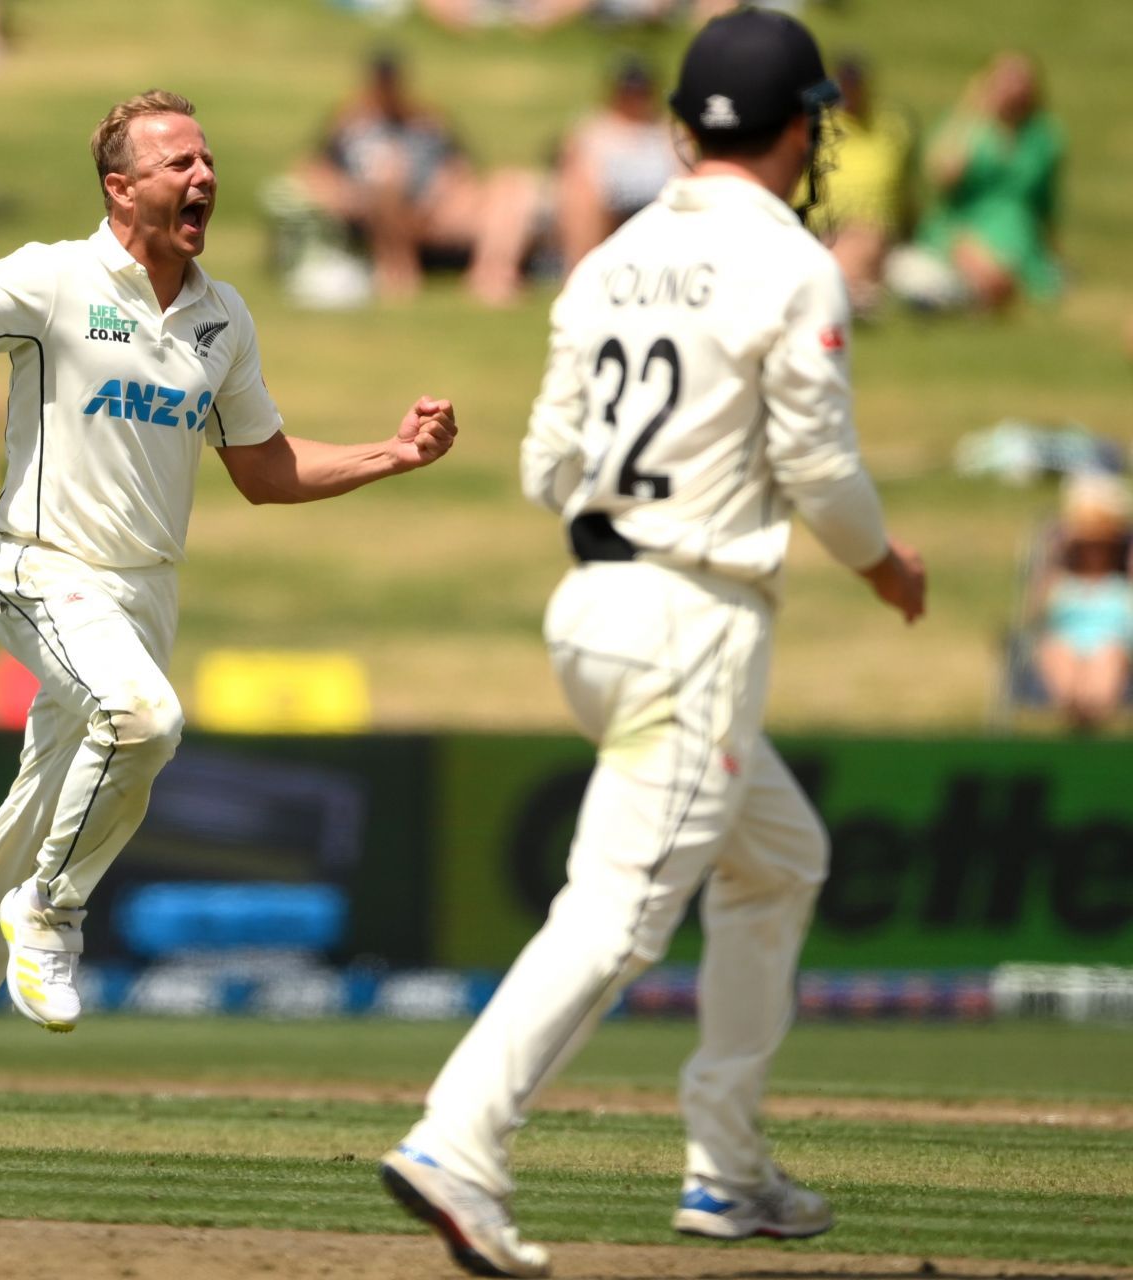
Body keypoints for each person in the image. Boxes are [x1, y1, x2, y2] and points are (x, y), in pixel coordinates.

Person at [379, 12, 926, 1276]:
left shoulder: (612, 258)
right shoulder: (792, 262)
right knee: (620, 912)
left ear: (684, 127)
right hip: (691, 617)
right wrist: (888, 567)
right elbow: (822, 469)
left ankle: (729, 1170)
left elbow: (541, 466)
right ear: (801, 127)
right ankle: (459, 1137)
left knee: (780, 858)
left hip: (593, 607)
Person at [0, 89, 460, 1148]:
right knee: (144, 720)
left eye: (209, 159)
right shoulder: (52, 277)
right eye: (178, 162)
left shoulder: (223, 315)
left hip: (143, 594)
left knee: (36, 811)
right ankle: (52, 914)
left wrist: (392, 453)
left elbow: (264, 471)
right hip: (42, 571)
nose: (203, 177)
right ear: (120, 186)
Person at [471, 56, 681, 305]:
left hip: (642, 205)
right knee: (510, 185)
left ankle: (580, 278)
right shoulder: (591, 128)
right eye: (628, 91)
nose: (633, 98)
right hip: (587, 203)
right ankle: (493, 273)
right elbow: (565, 165)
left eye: (639, 91)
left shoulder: (667, 133)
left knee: (583, 193)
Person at [294, 51, 496, 300]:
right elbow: (314, 167)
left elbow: (459, 166)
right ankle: (397, 266)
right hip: (371, 205)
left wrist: (443, 190)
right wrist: (341, 194)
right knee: (387, 175)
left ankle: (485, 273)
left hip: (429, 206)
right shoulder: (349, 122)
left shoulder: (426, 120)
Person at [890, 52, 1063, 311]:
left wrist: (1051, 247)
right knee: (976, 263)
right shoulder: (968, 126)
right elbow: (943, 176)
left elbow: (1046, 200)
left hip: (1018, 232)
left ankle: (969, 292)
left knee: (1002, 274)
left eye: (1021, 81)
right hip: (964, 225)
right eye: (1006, 81)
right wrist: (972, 113)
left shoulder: (1043, 136)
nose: (1013, 90)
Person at [803, 54, 914, 314]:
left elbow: (907, 191)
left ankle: (848, 293)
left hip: (880, 237)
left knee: (867, 236)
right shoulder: (812, 125)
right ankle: (850, 293)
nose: (849, 91)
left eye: (854, 83)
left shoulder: (892, 127)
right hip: (820, 233)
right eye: (843, 83)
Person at [1030, 474, 1133, 732]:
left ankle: (1089, 724)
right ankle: (1077, 727)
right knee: (1057, 650)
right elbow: (1034, 615)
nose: (1094, 551)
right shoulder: (1060, 580)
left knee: (1107, 655)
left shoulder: (1122, 583)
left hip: (1112, 646)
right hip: (1065, 645)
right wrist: (1055, 555)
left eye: (1101, 544)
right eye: (1088, 544)